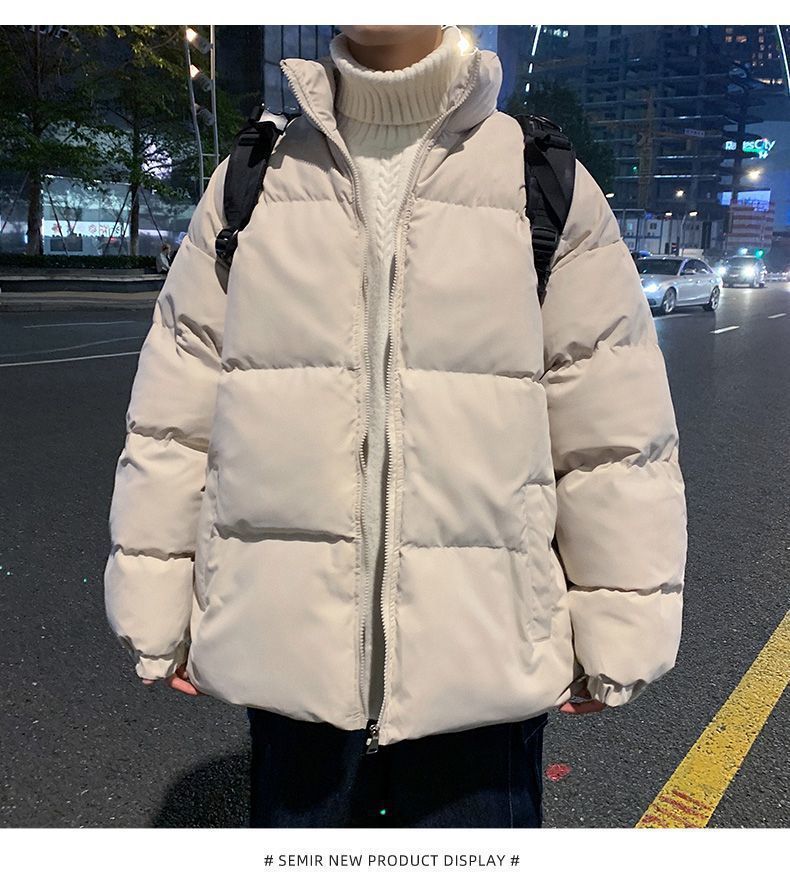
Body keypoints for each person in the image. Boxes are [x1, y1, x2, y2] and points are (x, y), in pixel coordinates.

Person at [103, 24, 688, 828]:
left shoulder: (537, 178)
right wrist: (153, 602)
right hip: (288, 665)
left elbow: (614, 437)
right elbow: (174, 417)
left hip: (484, 675)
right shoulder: (257, 178)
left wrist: (623, 625)